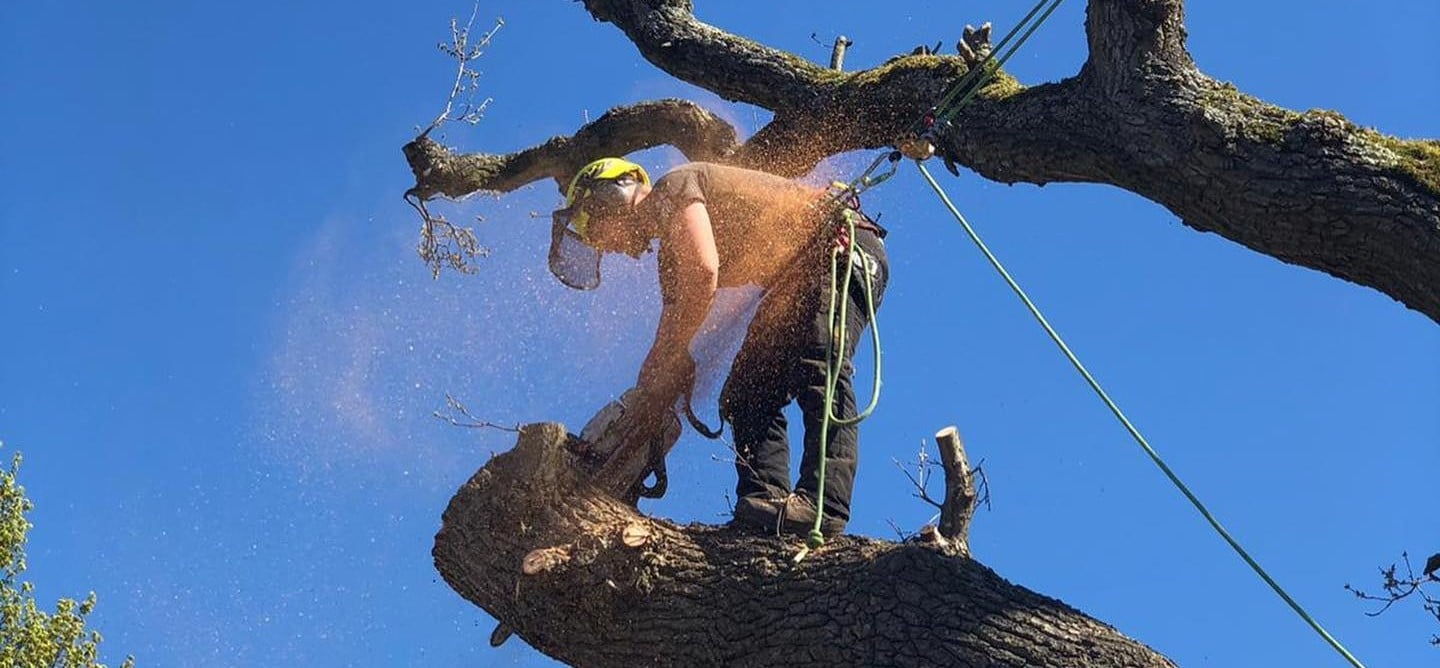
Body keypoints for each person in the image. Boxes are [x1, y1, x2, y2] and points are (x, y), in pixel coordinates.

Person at [552, 157, 889, 536]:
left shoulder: (674, 187)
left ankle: (824, 505)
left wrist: (674, 353)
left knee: (818, 361)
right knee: (746, 392)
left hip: (840, 251)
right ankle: (764, 503)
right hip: (795, 280)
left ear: (609, 197)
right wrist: (648, 394)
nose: (606, 247)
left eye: (597, 229)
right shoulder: (668, 260)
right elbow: (667, 340)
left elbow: (703, 272)